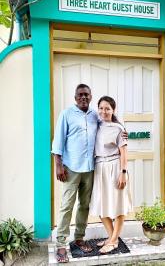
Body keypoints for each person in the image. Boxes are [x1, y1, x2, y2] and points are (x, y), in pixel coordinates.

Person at [51, 83, 98, 263]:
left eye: (86, 94)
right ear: (75, 97)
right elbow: (58, 141)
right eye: (80, 95)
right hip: (71, 168)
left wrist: (121, 130)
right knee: (67, 206)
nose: (83, 97)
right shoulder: (66, 114)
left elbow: (108, 124)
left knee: (84, 205)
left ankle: (79, 238)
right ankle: (61, 244)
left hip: (90, 168)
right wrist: (58, 165)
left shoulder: (95, 115)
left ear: (91, 96)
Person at [89, 96, 133, 254]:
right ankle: (111, 237)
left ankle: (114, 240)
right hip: (100, 168)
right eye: (101, 108)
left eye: (107, 108)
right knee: (101, 205)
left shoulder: (119, 128)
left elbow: (124, 152)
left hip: (115, 167)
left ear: (113, 110)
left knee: (118, 205)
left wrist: (123, 173)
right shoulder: (96, 124)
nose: (103, 111)